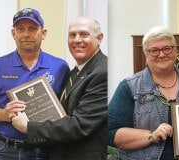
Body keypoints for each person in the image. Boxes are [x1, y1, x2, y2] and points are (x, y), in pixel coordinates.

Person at [0, 7, 70, 160]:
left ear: (43, 33)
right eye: (20, 29)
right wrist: (3, 114)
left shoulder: (60, 67)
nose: (26, 34)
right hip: (3, 150)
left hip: (44, 150)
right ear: (13, 33)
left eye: (32, 28)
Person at [11, 16, 108, 160]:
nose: (77, 40)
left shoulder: (102, 72)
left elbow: (80, 125)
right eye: (72, 35)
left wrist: (28, 127)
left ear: (99, 38)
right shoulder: (76, 71)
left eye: (84, 34)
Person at [108, 26, 179, 160]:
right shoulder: (129, 87)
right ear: (146, 54)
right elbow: (111, 133)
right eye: (154, 50)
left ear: (176, 50)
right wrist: (152, 135)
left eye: (167, 48)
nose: (162, 54)